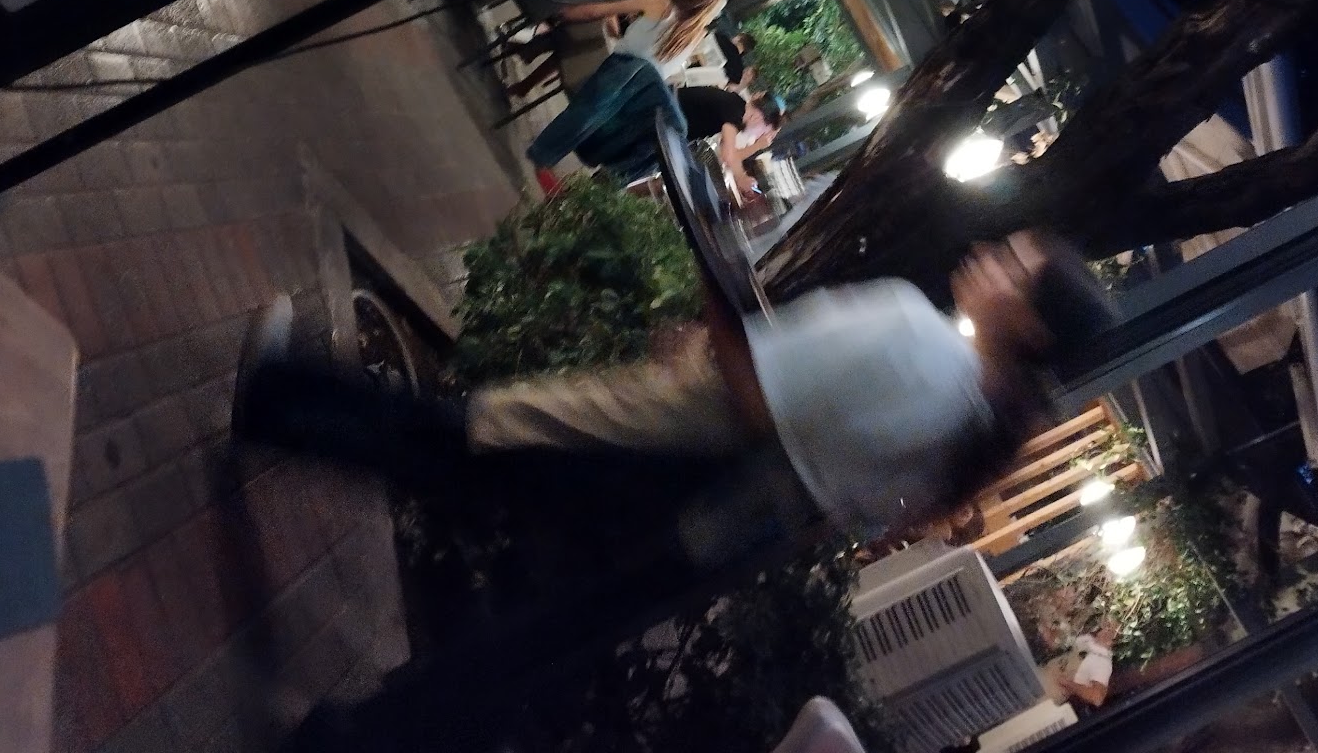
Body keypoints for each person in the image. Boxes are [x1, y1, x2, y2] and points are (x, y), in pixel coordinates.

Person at [231, 235, 1114, 740]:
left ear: (1033, 328)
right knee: (526, 642)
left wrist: (709, 266)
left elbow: (757, 394)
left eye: (1014, 268)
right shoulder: (968, 431)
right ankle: (350, 741)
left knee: (464, 442)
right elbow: (846, 495)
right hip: (711, 534)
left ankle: (279, 398)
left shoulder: (918, 339)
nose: (991, 256)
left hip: (657, 458)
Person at [523, 0, 730, 182]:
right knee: (613, 115)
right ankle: (603, 182)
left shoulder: (659, 4)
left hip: (616, 76)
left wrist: (561, 12)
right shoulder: (695, 34)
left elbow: (596, 11)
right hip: (632, 105)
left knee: (589, 105)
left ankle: (542, 156)